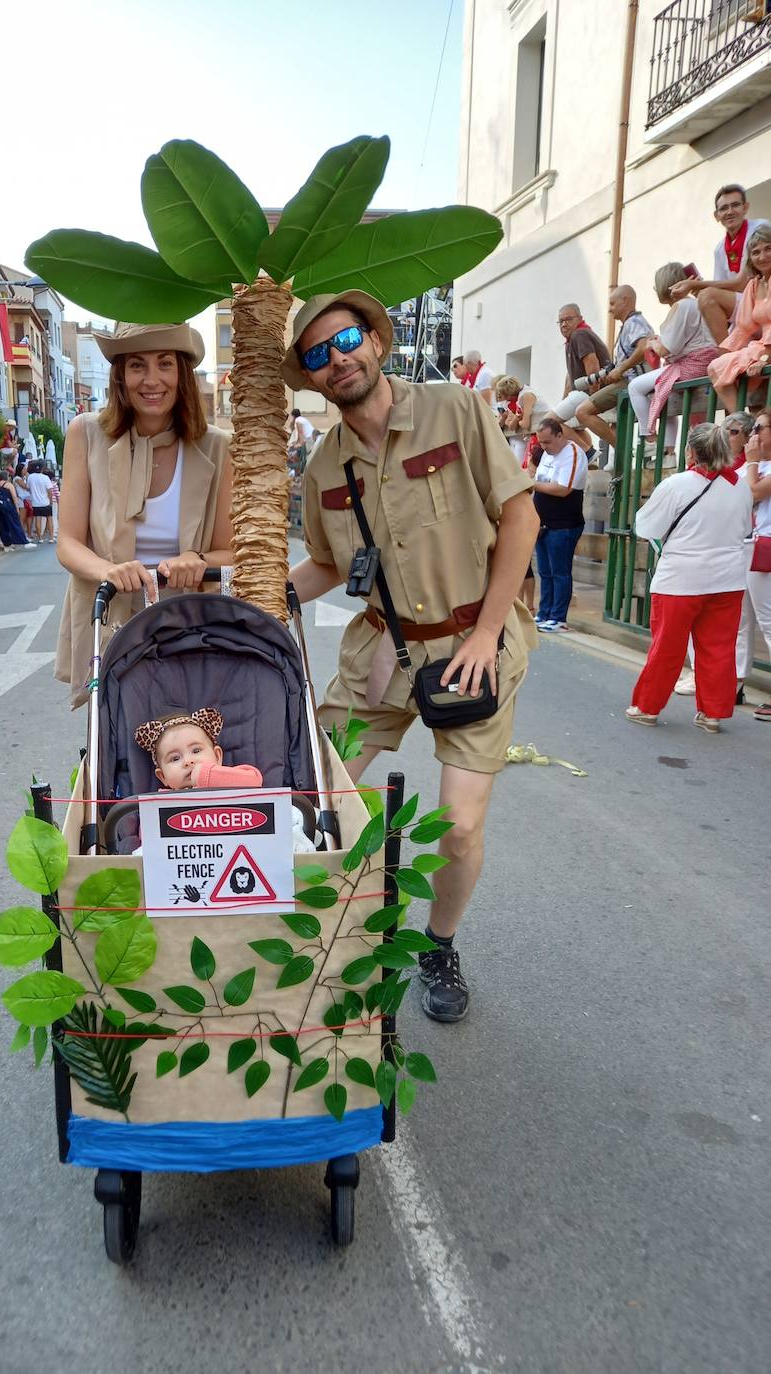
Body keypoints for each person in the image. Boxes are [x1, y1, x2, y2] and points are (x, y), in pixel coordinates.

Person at [285, 289, 539, 1024]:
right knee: (312, 790)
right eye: (316, 355)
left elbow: (519, 516)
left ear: (374, 340)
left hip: (472, 646)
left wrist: (489, 636)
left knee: (457, 826)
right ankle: (316, 939)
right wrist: (258, 601)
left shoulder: (454, 411)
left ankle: (437, 944)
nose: (337, 360)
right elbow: (329, 567)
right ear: (309, 377)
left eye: (346, 341)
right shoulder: (323, 465)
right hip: (380, 655)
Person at [56, 320, 234, 710]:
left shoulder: (218, 447)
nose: (151, 379)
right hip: (111, 623)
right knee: (114, 748)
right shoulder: (85, 434)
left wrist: (198, 560)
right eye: (137, 365)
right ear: (120, 375)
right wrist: (108, 571)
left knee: (189, 753)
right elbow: (67, 543)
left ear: (182, 372)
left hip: (190, 631)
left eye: (164, 363)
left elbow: (229, 552)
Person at [626, 423, 752, 733]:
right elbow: (744, 528)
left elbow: (646, 527)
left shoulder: (676, 485)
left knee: (667, 647)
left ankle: (647, 706)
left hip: (681, 581)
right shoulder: (740, 486)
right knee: (719, 648)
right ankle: (713, 714)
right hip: (727, 580)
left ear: (691, 452)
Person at [131, 708, 315, 851]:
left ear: (217, 756)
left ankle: (298, 847)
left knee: (292, 813)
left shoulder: (227, 778)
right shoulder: (160, 802)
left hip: (247, 840)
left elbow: (254, 781)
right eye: (175, 759)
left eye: (196, 751)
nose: (188, 761)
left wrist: (207, 775)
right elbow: (150, 836)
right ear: (162, 776)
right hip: (190, 854)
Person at [674, 413, 758, 700]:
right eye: (724, 431)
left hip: (739, 544)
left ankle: (735, 679)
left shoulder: (748, 466)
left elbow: (751, 496)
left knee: (738, 619)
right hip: (706, 544)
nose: (726, 436)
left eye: (733, 432)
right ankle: (699, 671)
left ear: (748, 438)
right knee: (697, 613)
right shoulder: (704, 467)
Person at [628, 263, 720, 462]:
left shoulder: (682, 306)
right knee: (663, 395)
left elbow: (667, 349)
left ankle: (650, 440)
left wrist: (653, 343)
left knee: (635, 387)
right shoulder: (695, 303)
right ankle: (668, 452)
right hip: (705, 362)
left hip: (693, 365)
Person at [670, 184, 771, 344]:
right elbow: (720, 290)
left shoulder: (759, 228)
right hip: (745, 306)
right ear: (716, 216)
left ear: (746, 208)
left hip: (763, 299)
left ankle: (727, 354)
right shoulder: (719, 248)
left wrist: (696, 285)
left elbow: (741, 283)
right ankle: (727, 353)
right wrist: (698, 288)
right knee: (705, 298)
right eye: (724, 208)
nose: (730, 212)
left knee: (708, 295)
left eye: (735, 205)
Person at [573, 285, 653, 452]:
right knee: (609, 418)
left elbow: (644, 346)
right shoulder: (630, 324)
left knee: (582, 412)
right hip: (629, 381)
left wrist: (620, 369)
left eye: (612, 303)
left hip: (631, 381)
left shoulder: (634, 322)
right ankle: (622, 453)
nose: (609, 310)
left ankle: (623, 451)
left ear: (625, 301)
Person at [530, 418, 588, 633]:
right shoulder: (548, 452)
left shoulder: (571, 453)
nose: (544, 447)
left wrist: (532, 484)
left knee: (560, 571)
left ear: (559, 435)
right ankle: (544, 612)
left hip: (563, 523)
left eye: (548, 442)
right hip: (544, 522)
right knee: (545, 571)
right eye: (541, 442)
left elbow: (563, 488)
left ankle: (558, 617)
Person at [708, 224, 771, 413]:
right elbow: (744, 328)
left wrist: (765, 357)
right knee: (715, 368)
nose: (762, 256)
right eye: (756, 252)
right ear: (750, 258)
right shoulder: (754, 285)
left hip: (766, 350)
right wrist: (725, 352)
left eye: (768, 249)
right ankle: (742, 425)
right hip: (761, 348)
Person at [546, 304, 611, 456]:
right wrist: (562, 402)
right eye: (560, 321)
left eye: (568, 319)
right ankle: (586, 455)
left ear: (580, 319)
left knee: (548, 423)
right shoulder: (573, 338)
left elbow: (592, 366)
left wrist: (594, 400)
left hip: (587, 393)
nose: (563, 324)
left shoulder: (579, 335)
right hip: (582, 393)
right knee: (567, 424)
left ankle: (587, 453)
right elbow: (570, 376)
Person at [743, 411, 771, 722]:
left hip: (767, 545)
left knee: (769, 622)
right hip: (756, 544)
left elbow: (752, 493)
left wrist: (750, 461)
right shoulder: (759, 465)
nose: (754, 434)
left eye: (759, 428)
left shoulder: (758, 466)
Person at [494, 374, 550, 466]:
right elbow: (512, 425)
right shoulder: (519, 397)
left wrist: (517, 420)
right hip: (534, 433)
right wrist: (517, 419)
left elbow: (525, 424)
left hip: (543, 429)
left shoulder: (526, 396)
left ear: (509, 394)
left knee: (528, 467)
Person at [0, 468, 33, 550]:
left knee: (2, 526)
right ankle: (23, 541)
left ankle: (7, 544)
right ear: (7, 477)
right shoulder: (8, 484)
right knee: (15, 524)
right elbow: (14, 497)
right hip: (7, 507)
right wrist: (17, 509)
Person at [26, 460, 55, 542]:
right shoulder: (45, 478)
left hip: (35, 503)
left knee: (37, 519)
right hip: (45, 502)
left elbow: (28, 488)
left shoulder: (30, 477)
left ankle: (40, 538)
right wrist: (50, 500)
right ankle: (51, 538)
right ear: (42, 469)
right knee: (49, 519)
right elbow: (49, 490)